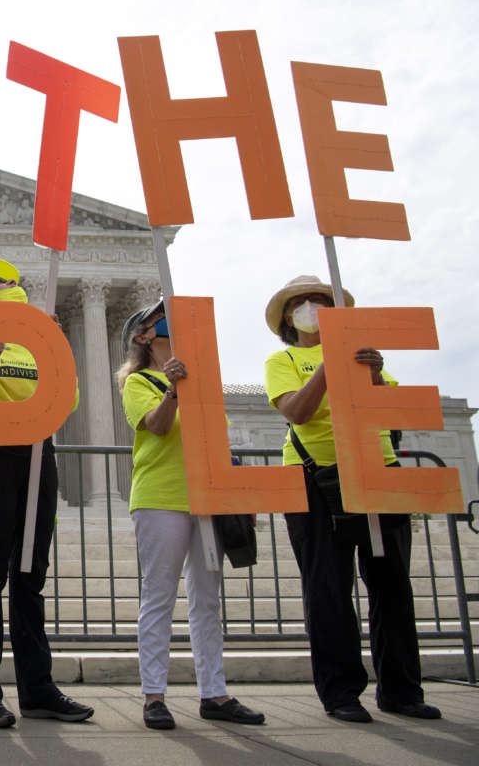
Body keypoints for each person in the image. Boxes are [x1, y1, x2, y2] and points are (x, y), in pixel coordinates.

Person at [263, 275, 440, 723]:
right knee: (328, 589)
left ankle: (401, 690)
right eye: (301, 301)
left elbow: (398, 411)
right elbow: (298, 413)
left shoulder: (364, 356)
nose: (311, 306)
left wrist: (376, 373)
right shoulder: (283, 359)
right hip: (314, 477)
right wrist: (327, 366)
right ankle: (341, 693)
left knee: (392, 585)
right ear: (287, 316)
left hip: (377, 469)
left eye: (321, 299)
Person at [117, 300, 265, 730]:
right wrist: (174, 389)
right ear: (143, 337)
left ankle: (214, 693)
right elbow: (158, 426)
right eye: (158, 320)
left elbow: (217, 438)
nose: (168, 323)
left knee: (207, 600)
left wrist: (238, 492)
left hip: (208, 493)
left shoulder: (202, 381)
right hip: (161, 496)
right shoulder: (138, 381)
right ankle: (154, 695)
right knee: (159, 596)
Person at [0, 258, 94, 728]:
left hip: (39, 455)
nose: (11, 290)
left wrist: (56, 350)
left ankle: (37, 689)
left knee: (30, 576)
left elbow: (68, 402)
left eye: (15, 287)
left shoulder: (33, 348)